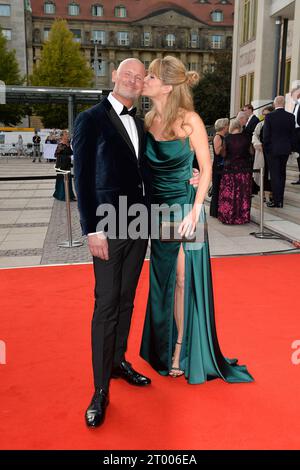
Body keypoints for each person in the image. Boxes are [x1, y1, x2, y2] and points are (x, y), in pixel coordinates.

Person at [73, 58, 199, 427]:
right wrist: (92, 229)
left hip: (139, 222)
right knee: (106, 304)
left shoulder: (143, 124)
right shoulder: (90, 119)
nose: (132, 80)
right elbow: (82, 178)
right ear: (114, 76)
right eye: (126, 74)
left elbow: (153, 166)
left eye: (139, 76)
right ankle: (99, 391)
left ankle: (118, 362)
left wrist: (188, 172)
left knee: (127, 299)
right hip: (108, 226)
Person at [140, 56, 254, 385]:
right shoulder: (148, 119)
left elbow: (206, 169)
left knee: (181, 278)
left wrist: (195, 210)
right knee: (162, 280)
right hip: (158, 210)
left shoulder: (189, 119)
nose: (145, 80)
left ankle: (181, 350)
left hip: (185, 209)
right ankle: (162, 347)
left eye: (151, 76)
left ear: (167, 85)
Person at [218, 119, 253, 224]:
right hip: (244, 169)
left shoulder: (227, 139)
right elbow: (251, 152)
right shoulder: (246, 138)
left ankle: (228, 216)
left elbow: (223, 154)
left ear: (231, 127)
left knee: (230, 193)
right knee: (242, 193)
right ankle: (242, 216)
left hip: (230, 169)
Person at [263, 96, 295, 208]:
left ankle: (277, 201)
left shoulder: (269, 117)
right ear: (284, 103)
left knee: (275, 175)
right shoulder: (291, 116)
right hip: (285, 150)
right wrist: (290, 148)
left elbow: (266, 136)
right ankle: (280, 200)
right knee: (282, 175)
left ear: (275, 104)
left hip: (273, 151)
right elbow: (293, 135)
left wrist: (266, 149)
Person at [252, 106, 274, 203]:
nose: (265, 116)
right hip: (261, 152)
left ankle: (270, 193)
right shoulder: (260, 124)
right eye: (263, 114)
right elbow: (255, 135)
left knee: (271, 173)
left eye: (267, 114)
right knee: (262, 173)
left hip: (272, 153)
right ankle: (263, 193)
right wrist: (257, 144)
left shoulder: (275, 125)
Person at [209, 118, 229, 218]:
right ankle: (214, 212)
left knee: (220, 188)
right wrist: (225, 145)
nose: (228, 127)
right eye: (227, 125)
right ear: (224, 126)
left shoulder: (222, 136)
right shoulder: (218, 137)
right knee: (216, 188)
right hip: (218, 166)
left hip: (221, 165)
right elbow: (217, 152)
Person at [53, 130, 76, 201]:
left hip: (67, 164)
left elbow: (71, 153)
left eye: (67, 134)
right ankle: (61, 195)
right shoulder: (61, 144)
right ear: (62, 136)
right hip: (61, 165)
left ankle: (70, 195)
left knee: (68, 180)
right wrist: (65, 157)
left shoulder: (68, 144)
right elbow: (56, 154)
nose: (67, 135)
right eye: (66, 134)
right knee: (62, 180)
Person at [290, 87, 300, 185]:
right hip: (296, 132)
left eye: (292, 95)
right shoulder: (296, 105)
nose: (291, 98)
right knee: (298, 155)